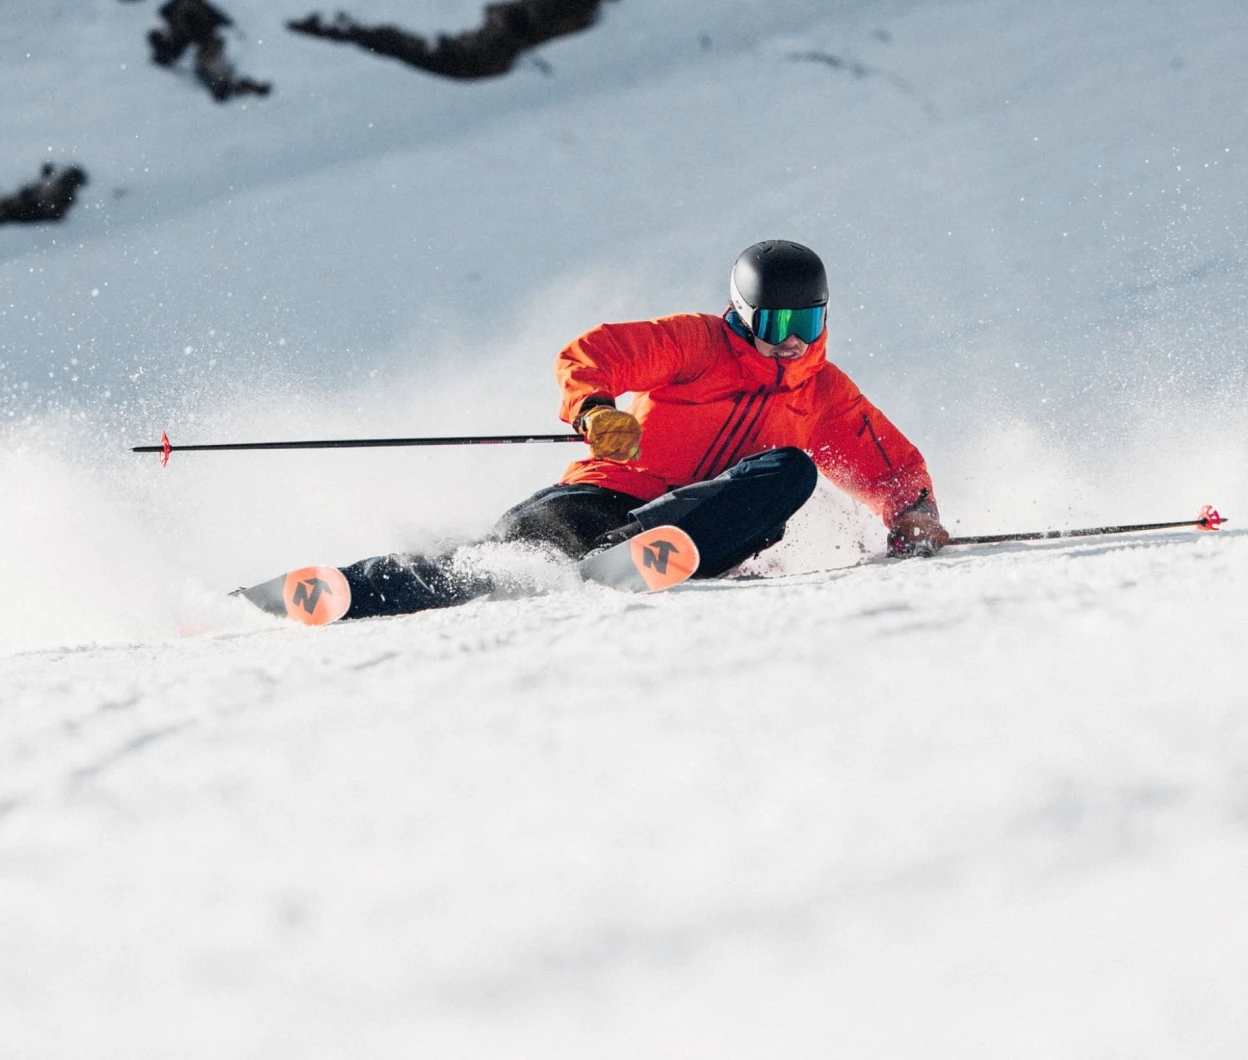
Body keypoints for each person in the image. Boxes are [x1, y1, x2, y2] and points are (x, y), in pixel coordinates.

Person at [337, 239, 948, 618]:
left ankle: (635, 554)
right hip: (603, 495)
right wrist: (595, 410)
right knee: (494, 563)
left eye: (807, 324)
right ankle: (337, 593)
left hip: (695, 531)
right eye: (777, 323)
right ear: (743, 315)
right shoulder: (695, 342)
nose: (792, 342)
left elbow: (889, 464)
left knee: (791, 472)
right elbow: (594, 354)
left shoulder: (824, 391)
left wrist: (913, 513)